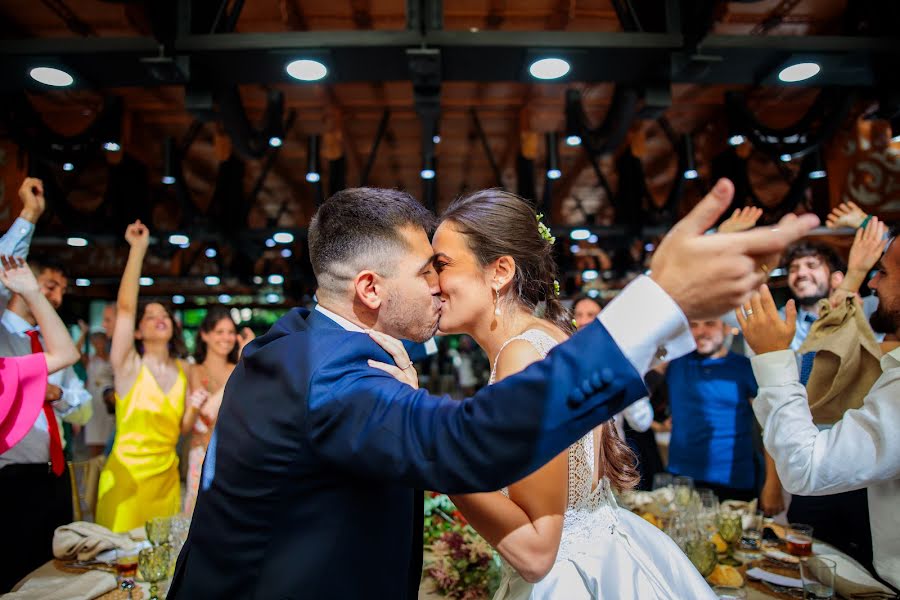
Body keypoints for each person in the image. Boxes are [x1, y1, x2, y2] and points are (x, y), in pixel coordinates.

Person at [169, 179, 818, 599]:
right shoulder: (332, 374)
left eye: (442, 267)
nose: (436, 285)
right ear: (370, 288)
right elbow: (466, 442)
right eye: (427, 269)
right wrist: (659, 299)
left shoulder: (293, 344)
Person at [378, 189, 715, 598]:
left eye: (442, 265)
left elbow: (536, 551)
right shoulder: (547, 338)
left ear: (500, 271)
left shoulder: (522, 357)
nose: (431, 283)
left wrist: (424, 437)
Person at [739, 264, 900, 590]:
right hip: (841, 467)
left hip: (836, 470)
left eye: (883, 271)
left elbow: (807, 465)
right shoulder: (810, 340)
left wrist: (772, 355)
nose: (873, 281)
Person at [95, 221, 189, 532]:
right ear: (138, 330)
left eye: (164, 315)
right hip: (126, 483)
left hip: (167, 483)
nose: (159, 319)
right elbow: (124, 309)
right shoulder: (127, 365)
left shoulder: (183, 370)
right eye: (150, 316)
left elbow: (185, 427)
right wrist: (138, 250)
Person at [0, 255, 81, 592]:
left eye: (62, 290)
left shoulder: (47, 343)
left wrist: (58, 394)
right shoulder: (4, 337)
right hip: (10, 477)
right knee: (13, 573)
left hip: (55, 471)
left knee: (56, 573)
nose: (57, 297)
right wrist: (28, 218)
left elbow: (81, 406)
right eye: (50, 286)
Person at [665, 318, 775, 504]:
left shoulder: (744, 367)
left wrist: (773, 484)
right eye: (694, 325)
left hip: (734, 480)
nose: (701, 331)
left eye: (710, 324)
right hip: (681, 477)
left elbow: (771, 425)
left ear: (726, 328)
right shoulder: (674, 365)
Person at [572, 293, 660, 489]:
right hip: (571, 461)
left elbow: (641, 422)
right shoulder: (563, 360)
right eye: (579, 314)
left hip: (610, 459)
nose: (584, 320)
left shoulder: (619, 358)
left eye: (591, 314)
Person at [182, 306, 254, 515]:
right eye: (219, 332)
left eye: (231, 332)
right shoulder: (193, 370)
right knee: (198, 515)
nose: (227, 338)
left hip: (235, 453)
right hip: (201, 454)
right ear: (205, 335)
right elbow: (205, 414)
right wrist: (242, 365)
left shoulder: (239, 368)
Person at [84, 330, 114, 457]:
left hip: (107, 399)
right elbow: (74, 353)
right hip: (93, 399)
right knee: (94, 438)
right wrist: (83, 334)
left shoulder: (112, 358)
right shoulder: (89, 359)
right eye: (95, 342)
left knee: (108, 436)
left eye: (100, 341)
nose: (98, 344)